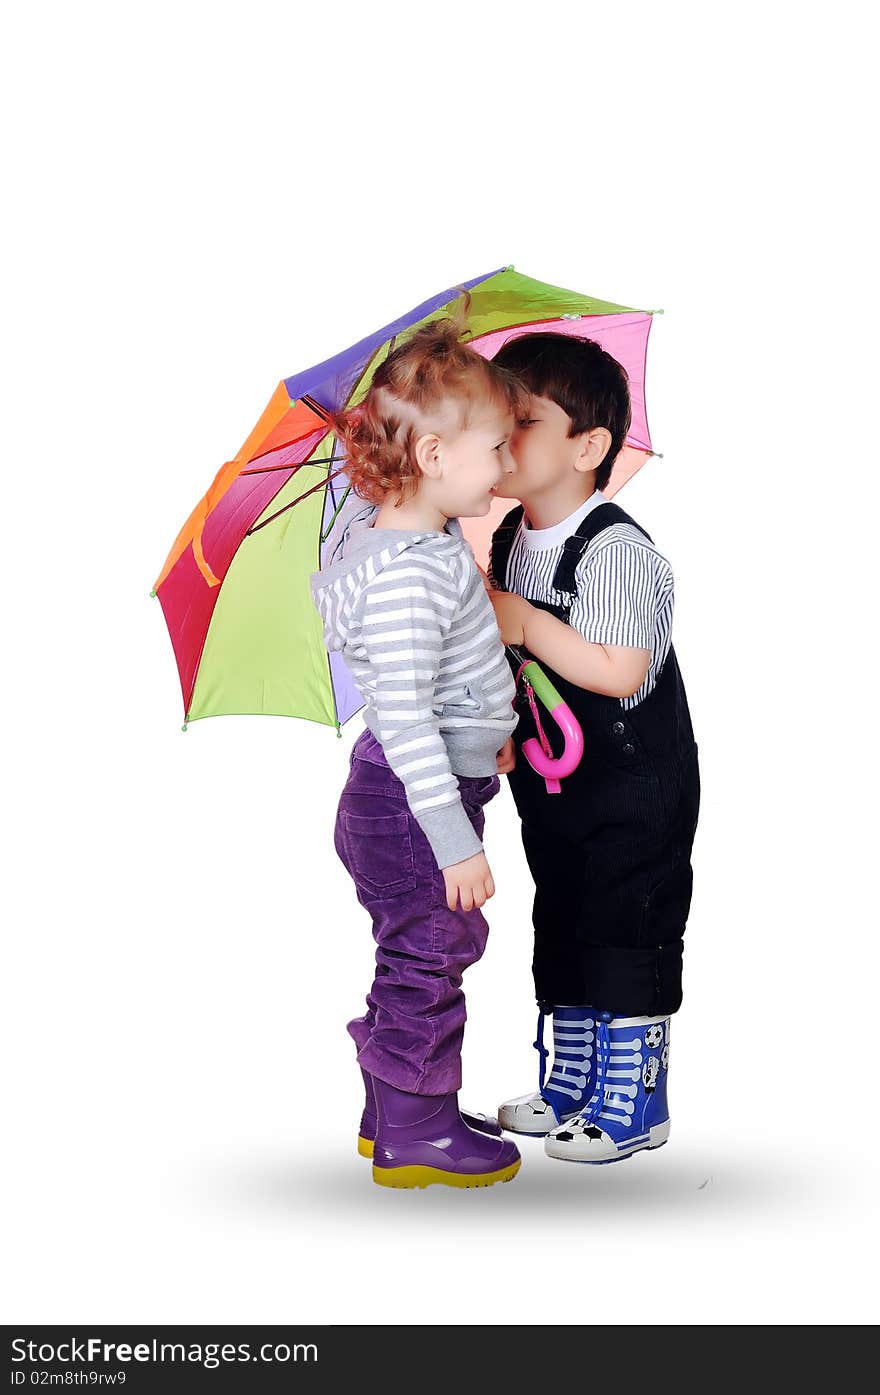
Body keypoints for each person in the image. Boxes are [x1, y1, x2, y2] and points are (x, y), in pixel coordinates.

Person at [310, 313, 524, 1189]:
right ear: (435, 458)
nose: (508, 466)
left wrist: (489, 736)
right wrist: (454, 837)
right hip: (410, 806)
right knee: (434, 947)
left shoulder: (413, 541)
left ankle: (394, 1106)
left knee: (413, 947)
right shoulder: (404, 570)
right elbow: (402, 716)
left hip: (417, 792)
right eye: (497, 449)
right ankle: (415, 1129)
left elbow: (449, 679)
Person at [484, 332, 700, 1164]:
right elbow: (517, 666)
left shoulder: (617, 550)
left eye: (523, 422)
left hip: (632, 784)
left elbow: (617, 671)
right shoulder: (510, 537)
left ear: (589, 446)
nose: (501, 441)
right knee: (564, 913)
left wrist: (529, 621)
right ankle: (572, 1077)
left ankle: (634, 1097)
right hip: (556, 782)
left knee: (627, 918)